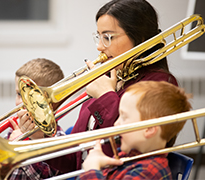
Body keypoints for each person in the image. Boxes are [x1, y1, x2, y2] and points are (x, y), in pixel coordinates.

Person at [66, 0, 179, 173]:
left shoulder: (160, 84)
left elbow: (126, 145)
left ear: (140, 39)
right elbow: (74, 157)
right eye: (99, 36)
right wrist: (42, 135)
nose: (99, 47)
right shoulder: (109, 77)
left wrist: (105, 96)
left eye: (108, 37)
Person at [77, 81, 189, 180]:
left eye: (124, 117)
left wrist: (91, 170)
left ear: (149, 129)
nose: (116, 123)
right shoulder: (126, 155)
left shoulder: (149, 172)